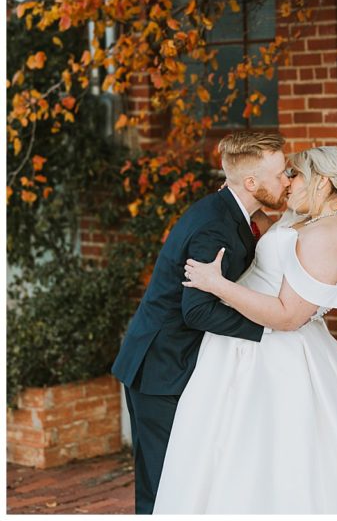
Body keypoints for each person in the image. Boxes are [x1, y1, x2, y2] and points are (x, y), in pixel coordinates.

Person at [152, 146, 337, 514]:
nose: (288, 182)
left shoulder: (330, 237)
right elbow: (266, 234)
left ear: (323, 182)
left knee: (265, 457)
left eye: (295, 175)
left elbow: (287, 316)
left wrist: (217, 285)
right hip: (240, 346)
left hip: (274, 354)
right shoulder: (308, 220)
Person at [112, 132, 291, 514]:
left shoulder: (229, 211)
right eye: (279, 174)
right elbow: (196, 309)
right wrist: (269, 327)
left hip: (177, 362)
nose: (286, 180)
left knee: (184, 479)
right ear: (251, 183)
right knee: (163, 487)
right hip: (161, 367)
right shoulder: (215, 227)